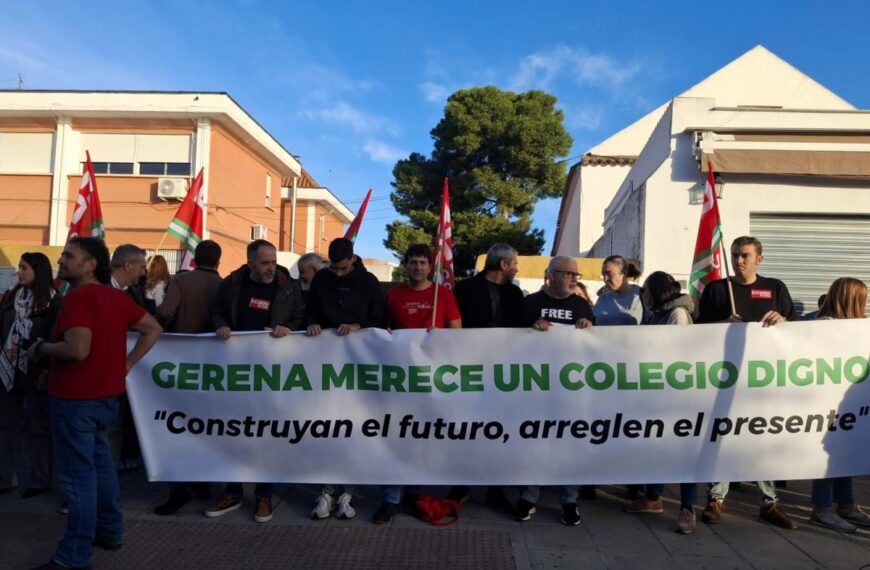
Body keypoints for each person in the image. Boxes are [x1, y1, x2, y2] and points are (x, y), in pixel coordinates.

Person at [28, 237, 161, 570]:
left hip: (76, 399)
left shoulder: (77, 299)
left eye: (69, 256)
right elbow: (152, 328)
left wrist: (42, 347)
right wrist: (127, 364)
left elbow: (77, 350)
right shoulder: (114, 298)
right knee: (100, 467)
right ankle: (110, 530)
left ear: (90, 265)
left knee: (78, 478)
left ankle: (74, 554)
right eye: (62, 255)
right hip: (105, 398)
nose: (61, 260)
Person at [696, 236, 798, 530]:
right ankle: (716, 498)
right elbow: (697, 333)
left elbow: (796, 329)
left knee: (761, 438)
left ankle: (769, 502)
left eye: (745, 256)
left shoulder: (775, 288)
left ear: (759, 259)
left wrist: (783, 321)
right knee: (725, 435)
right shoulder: (717, 289)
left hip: (765, 379)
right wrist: (721, 325)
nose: (739, 261)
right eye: (735, 255)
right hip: (725, 377)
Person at [205, 239, 305, 524]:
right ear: (250, 263)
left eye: (273, 261)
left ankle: (264, 494)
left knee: (267, 433)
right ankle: (233, 491)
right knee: (235, 430)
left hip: (273, 373)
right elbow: (216, 310)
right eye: (264, 262)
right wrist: (220, 325)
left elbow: (300, 316)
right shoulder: (233, 283)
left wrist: (289, 328)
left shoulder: (288, 285)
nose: (271, 267)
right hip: (237, 371)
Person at [371, 244, 462, 524]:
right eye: (413, 262)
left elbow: (458, 332)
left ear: (430, 266)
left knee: (419, 439)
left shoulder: (443, 294)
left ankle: (414, 494)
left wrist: (440, 337)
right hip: (398, 380)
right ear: (405, 265)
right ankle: (390, 497)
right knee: (394, 436)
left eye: (423, 262)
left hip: (429, 380)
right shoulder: (394, 295)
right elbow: (381, 331)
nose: (418, 267)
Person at [306, 237, 385, 520]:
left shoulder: (370, 282)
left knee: (353, 427)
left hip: (358, 364)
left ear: (353, 259)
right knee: (327, 426)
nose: (337, 273)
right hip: (327, 363)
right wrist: (312, 323)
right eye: (333, 268)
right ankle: (325, 490)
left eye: (342, 268)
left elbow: (380, 318)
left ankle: (348, 491)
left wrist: (358, 325)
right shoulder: (322, 280)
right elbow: (310, 309)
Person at [515, 256, 593, 526]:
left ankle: (569, 500)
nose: (574, 279)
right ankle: (529, 497)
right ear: (552, 275)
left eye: (576, 275)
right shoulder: (530, 304)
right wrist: (532, 329)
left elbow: (593, 345)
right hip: (536, 388)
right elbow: (512, 341)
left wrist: (587, 329)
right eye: (569, 274)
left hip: (570, 389)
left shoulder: (580, 305)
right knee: (534, 442)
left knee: (570, 443)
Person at [449, 243, 524, 514]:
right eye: (514, 263)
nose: (517, 268)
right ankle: (462, 484)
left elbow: (525, 327)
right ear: (503, 265)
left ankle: (495, 488)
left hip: (504, 375)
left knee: (499, 429)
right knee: (467, 428)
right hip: (470, 372)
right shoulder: (465, 289)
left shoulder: (515, 294)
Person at [623, 271, 698, 533]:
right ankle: (653, 498)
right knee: (656, 447)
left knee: (683, 455)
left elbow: (675, 357)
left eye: (645, 292)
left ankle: (688, 508)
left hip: (677, 399)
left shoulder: (677, 315)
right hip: (658, 395)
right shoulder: (658, 313)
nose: (643, 297)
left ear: (656, 292)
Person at [152, 240, 223, 516]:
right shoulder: (224, 284)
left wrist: (155, 334)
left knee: (177, 423)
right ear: (218, 260)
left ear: (194, 258)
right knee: (205, 425)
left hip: (181, 363)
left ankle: (180, 487)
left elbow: (166, 312)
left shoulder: (182, 281)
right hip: (214, 366)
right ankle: (202, 481)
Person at [809, 277, 870, 533]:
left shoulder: (853, 327)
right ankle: (822, 509)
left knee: (843, 454)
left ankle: (845, 504)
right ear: (852, 300)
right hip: (827, 405)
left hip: (845, 407)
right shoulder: (827, 327)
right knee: (829, 459)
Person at [0, 253, 62, 499]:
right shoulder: (12, 297)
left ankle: (39, 478)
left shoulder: (54, 301)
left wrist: (46, 369)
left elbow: (55, 336)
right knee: (5, 424)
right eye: (19, 267)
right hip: (7, 369)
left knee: (38, 426)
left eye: (24, 267)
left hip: (35, 370)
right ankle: (5, 477)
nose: (19, 272)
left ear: (38, 270)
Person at [109, 244, 149, 474]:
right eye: (142, 267)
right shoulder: (97, 289)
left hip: (123, 371)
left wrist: (130, 361)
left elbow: (148, 327)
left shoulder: (133, 293)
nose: (144, 273)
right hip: (99, 373)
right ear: (128, 265)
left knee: (115, 426)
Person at [593, 255, 645, 326]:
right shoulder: (602, 299)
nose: (605, 279)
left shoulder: (641, 295)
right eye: (603, 275)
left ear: (624, 273)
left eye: (609, 274)